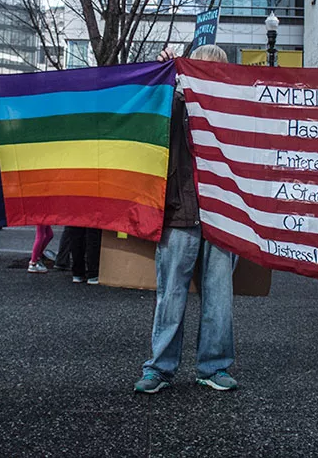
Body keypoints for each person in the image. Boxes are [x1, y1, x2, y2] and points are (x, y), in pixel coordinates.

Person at [135, 44, 239, 394]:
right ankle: (160, 368)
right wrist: (160, 73)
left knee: (219, 297)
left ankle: (213, 366)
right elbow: (143, 112)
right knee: (170, 295)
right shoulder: (172, 100)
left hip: (224, 216)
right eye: (200, 69)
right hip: (180, 212)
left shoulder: (233, 108)